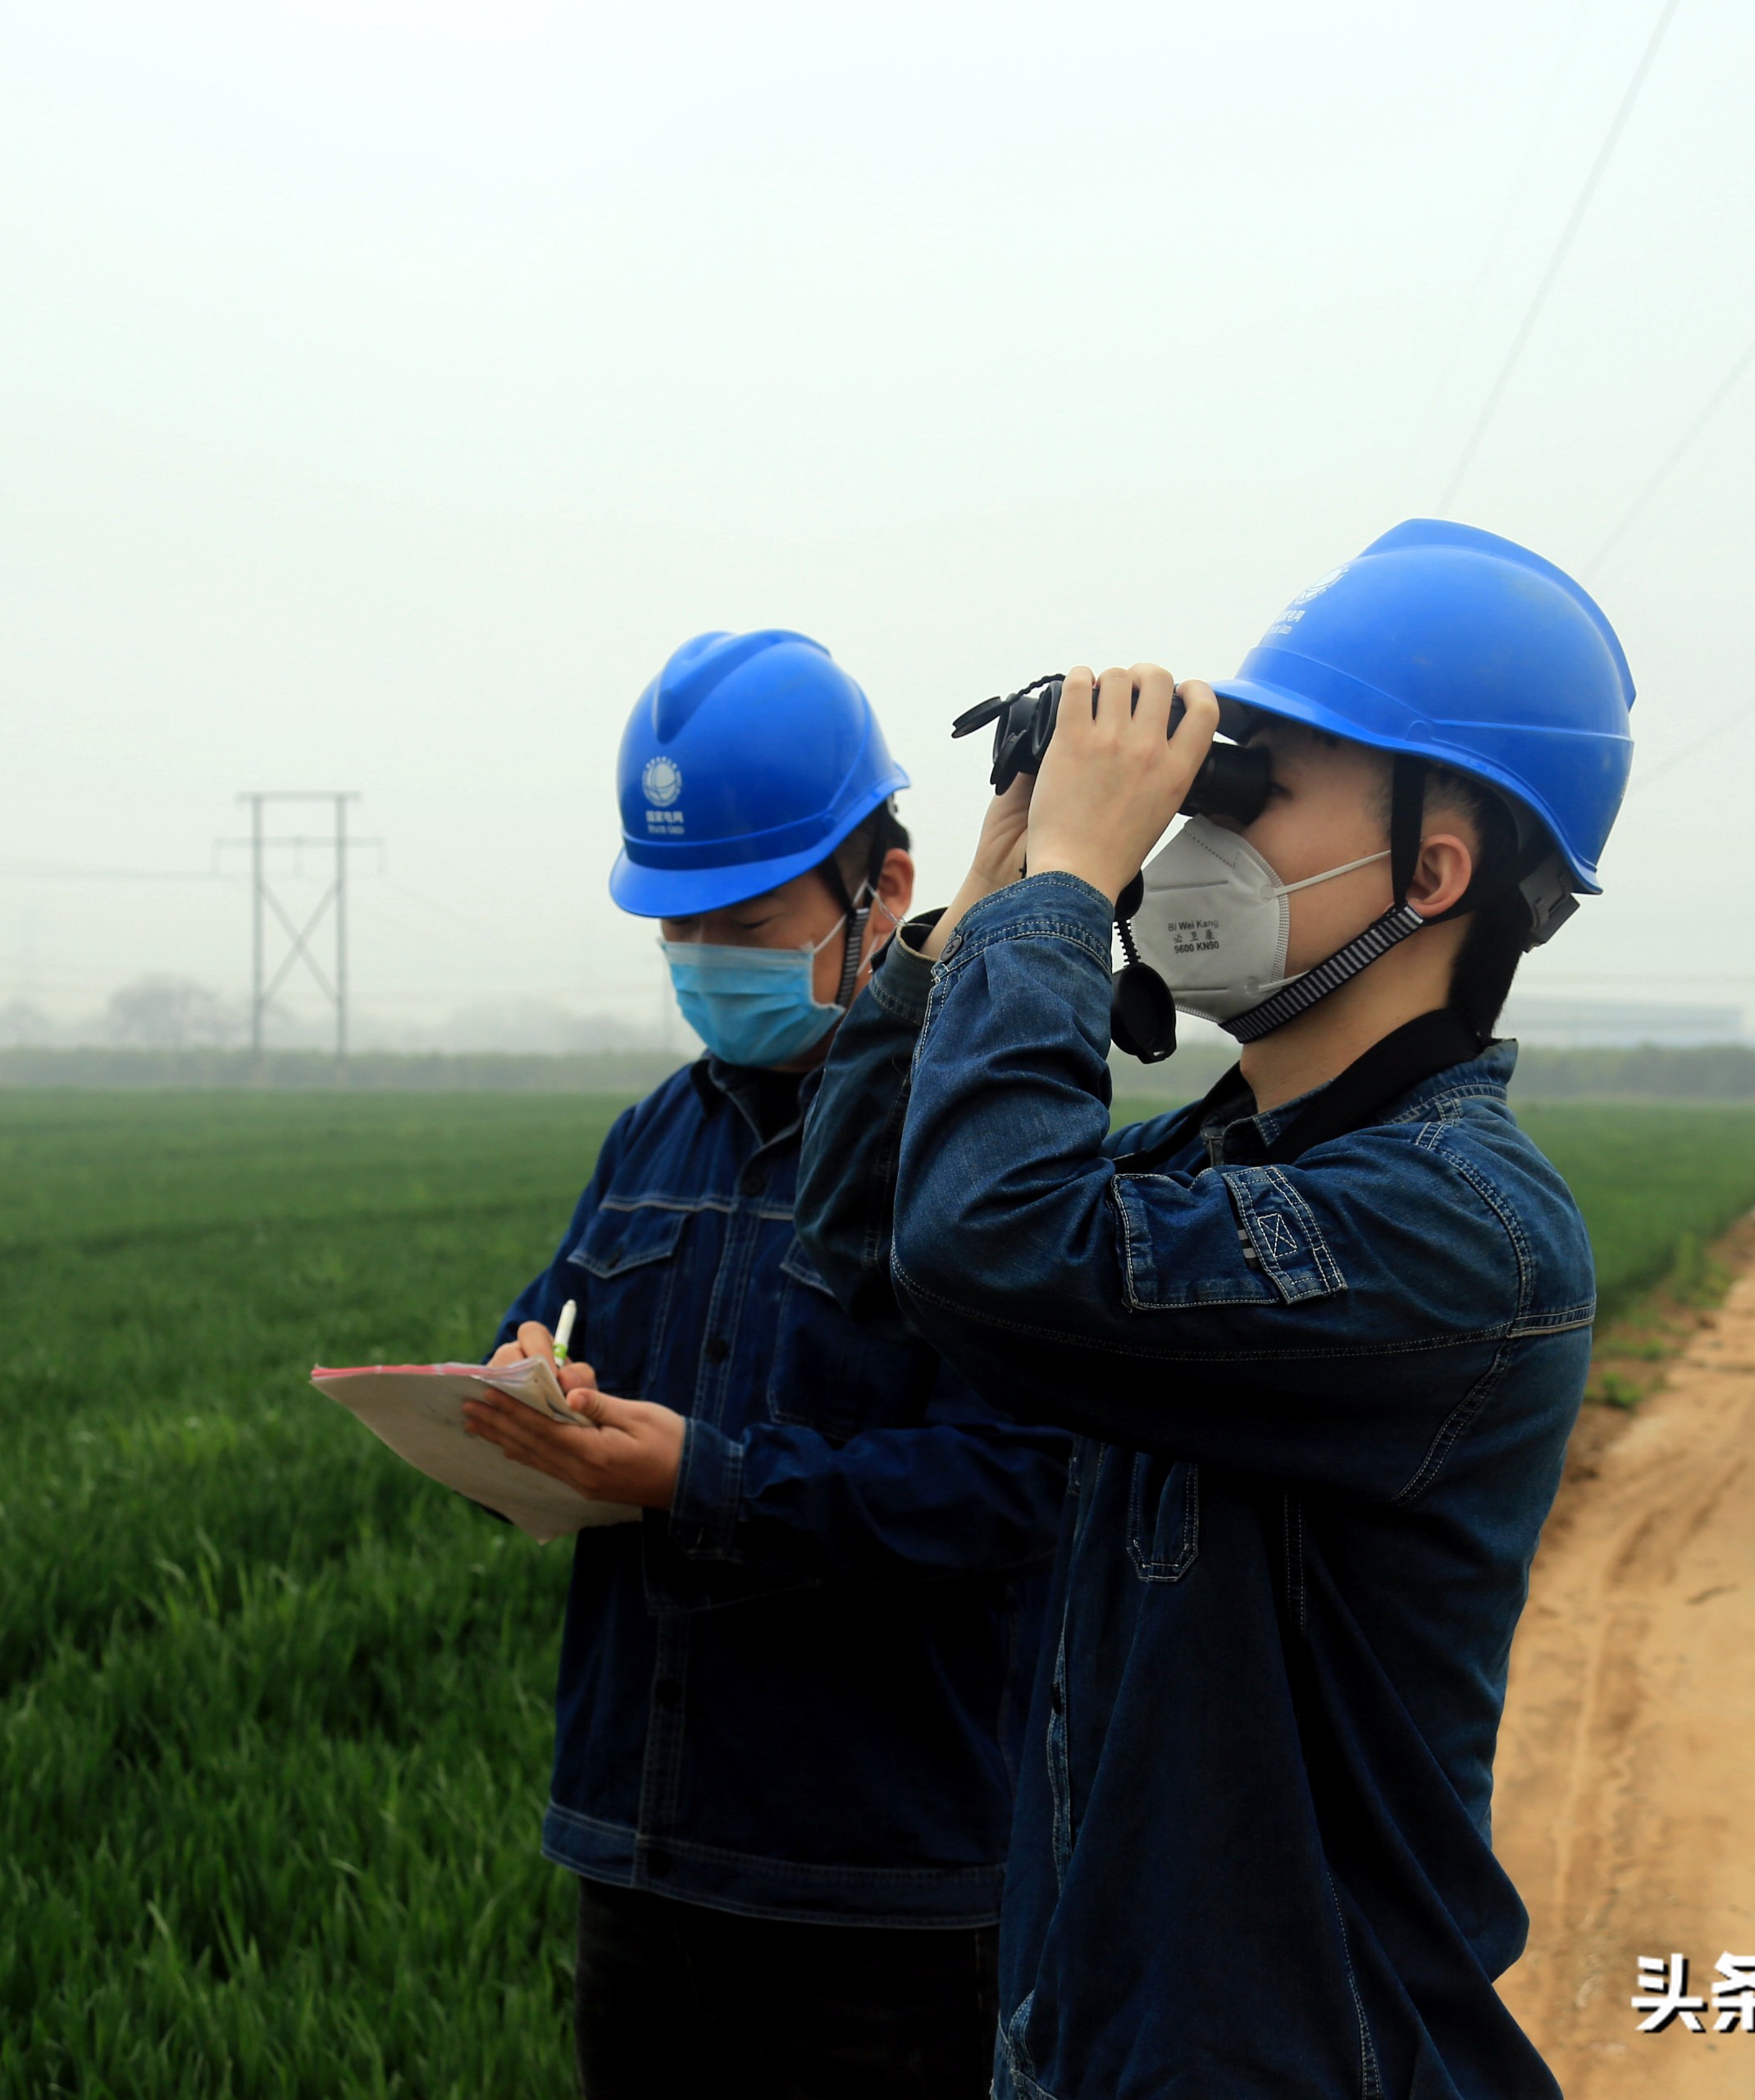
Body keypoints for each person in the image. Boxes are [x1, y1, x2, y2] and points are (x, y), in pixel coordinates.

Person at [794, 522, 1636, 2097]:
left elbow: (993, 1239)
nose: (1194, 825)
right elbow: (867, 1242)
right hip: (1100, 2041)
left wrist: (1071, 890)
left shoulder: (1467, 1233)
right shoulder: (1210, 1165)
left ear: (1435, 873)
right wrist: (983, 904)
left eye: (1261, 783)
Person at [459, 628, 1072, 2100]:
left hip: (877, 1899)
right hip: (638, 1854)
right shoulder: (649, 1140)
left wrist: (700, 1476)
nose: (706, 961)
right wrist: (520, 1399)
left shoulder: (980, 1162)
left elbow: (1019, 1489)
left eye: (742, 921)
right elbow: (544, 1353)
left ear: (891, 890)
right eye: (680, 930)